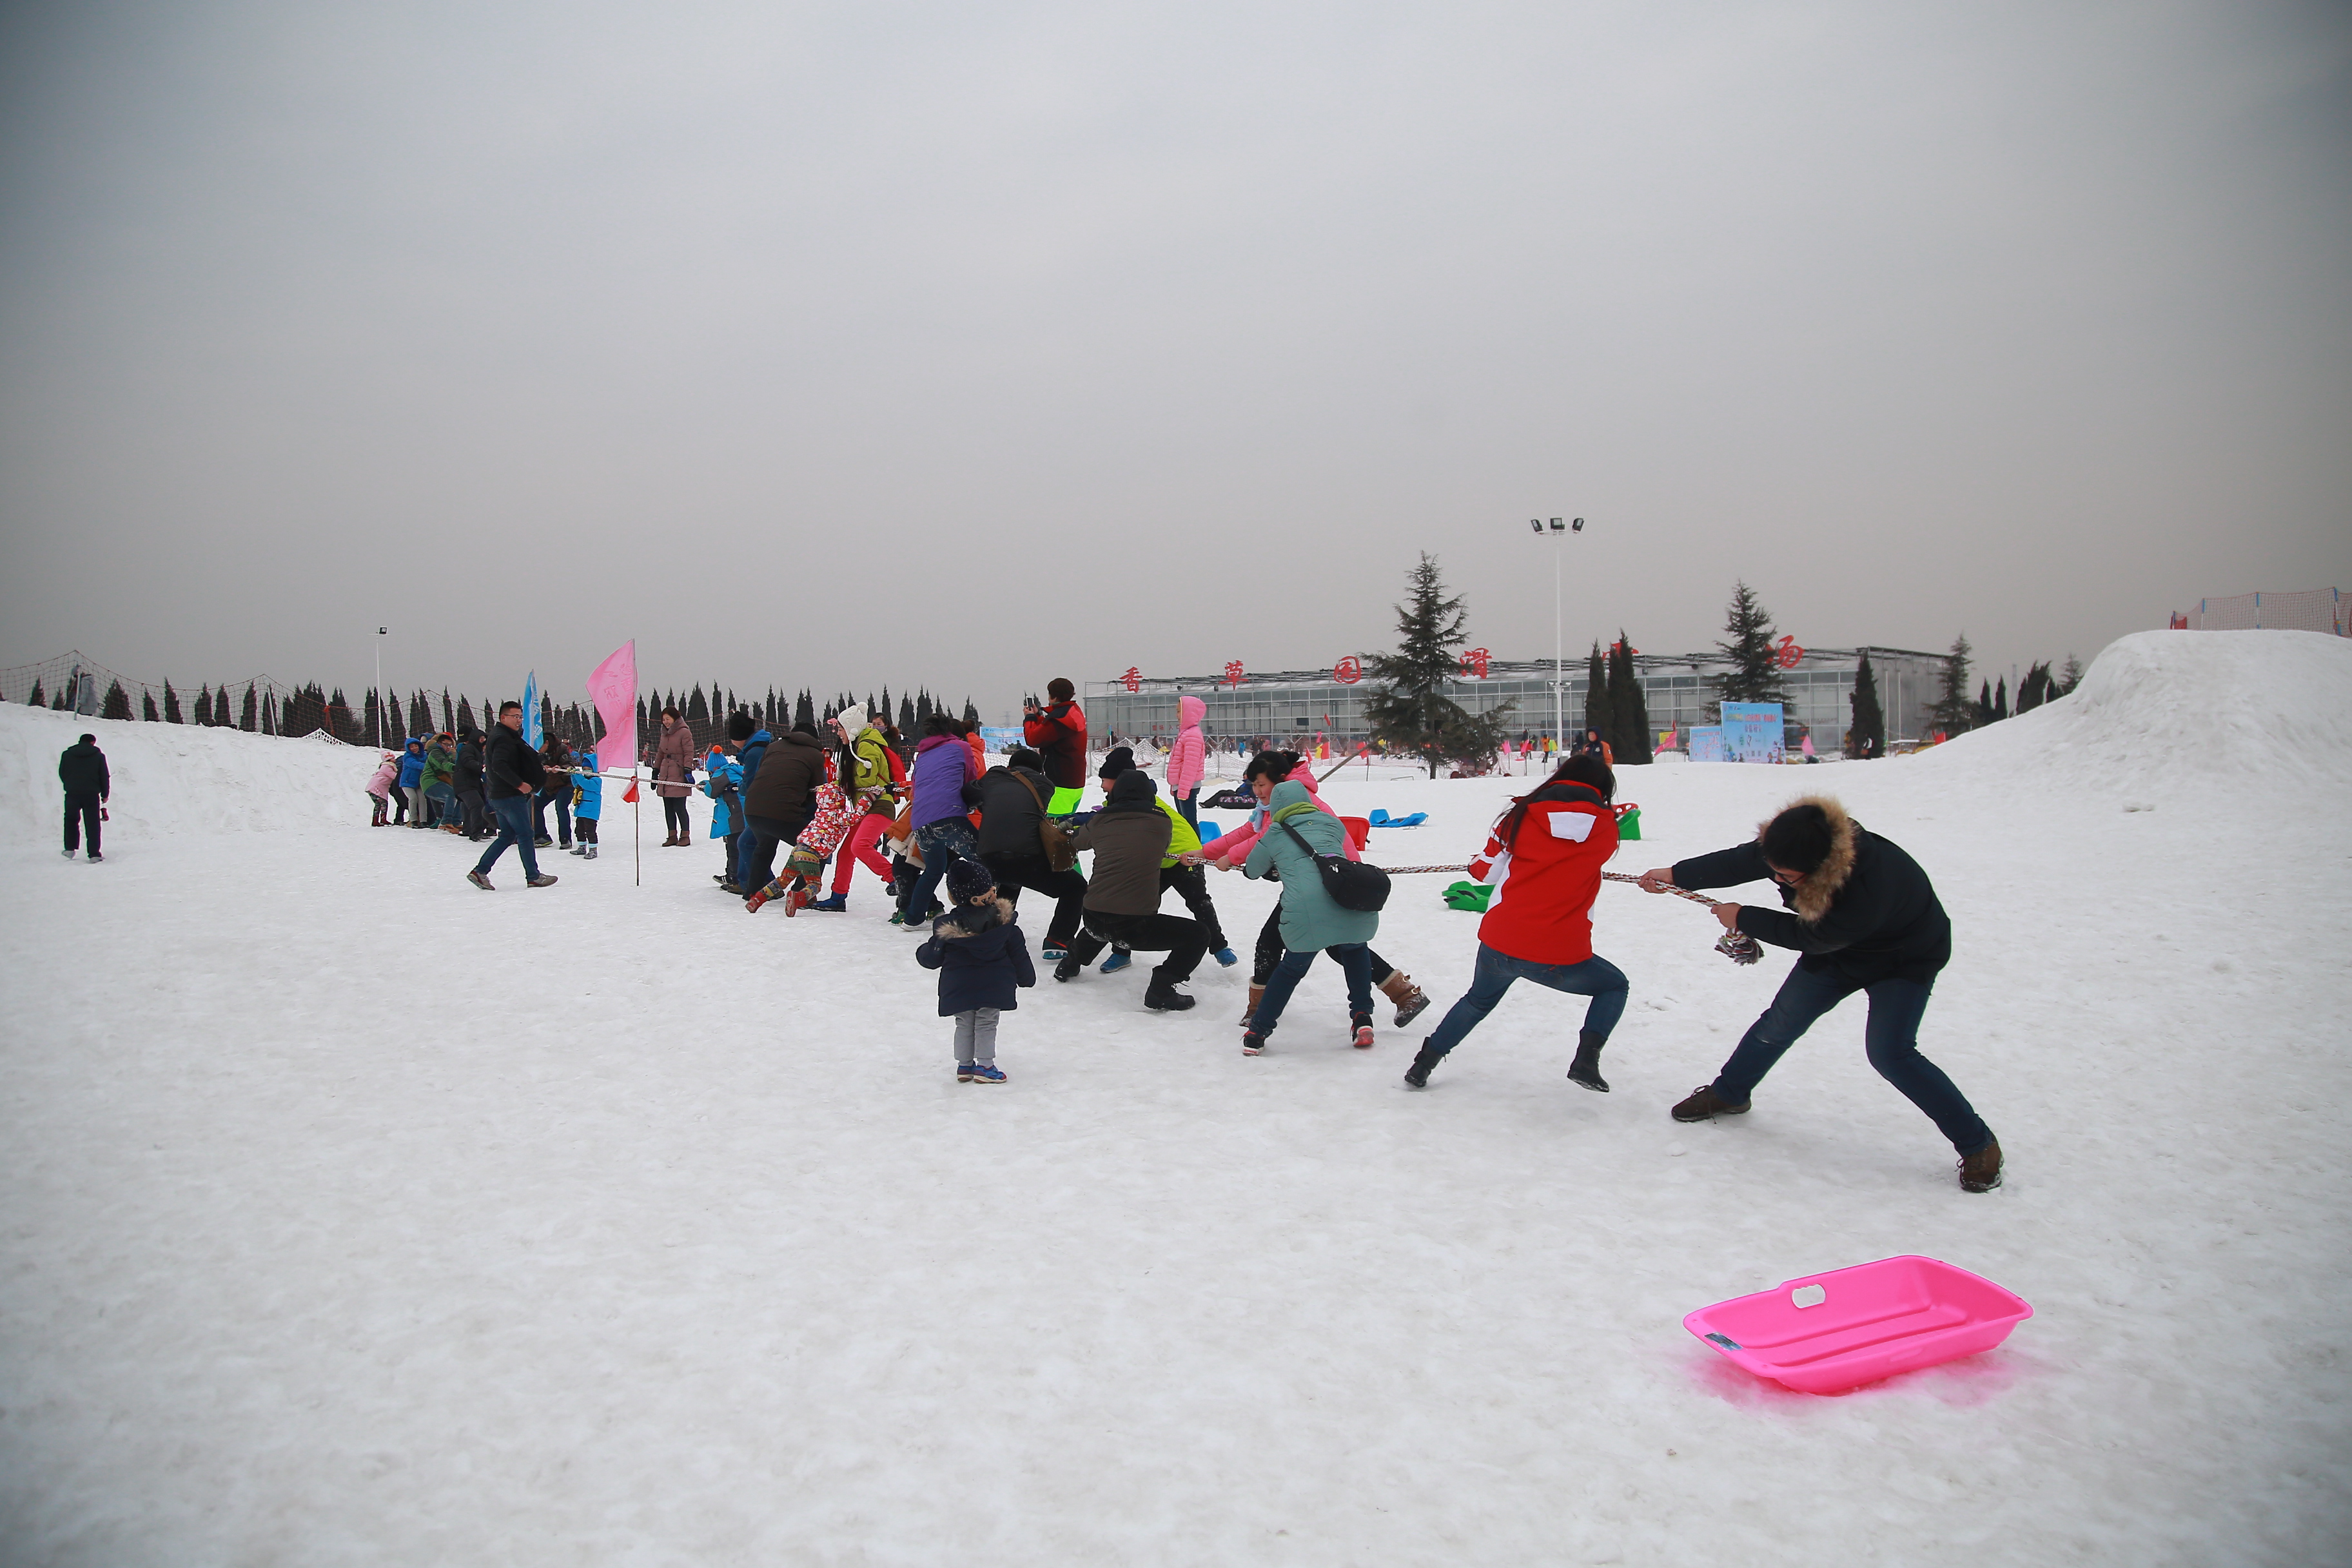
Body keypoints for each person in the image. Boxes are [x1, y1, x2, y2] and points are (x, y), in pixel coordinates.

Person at [1642, 796, 2001, 1192]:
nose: (1777, 880)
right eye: (1773, 871)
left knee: (1890, 1053)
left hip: (1904, 959)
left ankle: (1978, 1144)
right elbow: (1739, 862)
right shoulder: (1798, 844)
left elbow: (1813, 936)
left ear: (1819, 870)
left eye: (1786, 877)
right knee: (1779, 1023)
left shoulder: (1871, 882)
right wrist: (1675, 875)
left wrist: (1744, 917)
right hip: (1837, 953)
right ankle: (1730, 1093)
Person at [1404, 754, 1629, 1092]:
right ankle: (1587, 1059)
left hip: (1501, 939)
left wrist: (1482, 861)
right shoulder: (1608, 828)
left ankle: (1424, 1064)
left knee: (1477, 1002)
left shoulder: (1519, 817)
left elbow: (1484, 872)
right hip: (1560, 952)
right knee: (1613, 985)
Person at [1199, 750, 1429, 1028]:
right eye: (1253, 785)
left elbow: (1261, 841)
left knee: (1274, 942)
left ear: (1280, 781)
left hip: (1329, 882)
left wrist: (1229, 859)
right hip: (1320, 880)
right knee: (1343, 944)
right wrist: (1204, 851)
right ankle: (1403, 993)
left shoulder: (1297, 802)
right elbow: (1247, 832)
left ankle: (1258, 1011)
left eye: (1261, 784)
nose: (1256, 791)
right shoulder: (1279, 802)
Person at [1238, 779, 1378, 1054]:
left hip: (1305, 912)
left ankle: (1258, 1032)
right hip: (1349, 901)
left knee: (1291, 969)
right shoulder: (1332, 823)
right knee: (1355, 950)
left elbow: (1253, 870)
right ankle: (1362, 1017)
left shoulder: (1275, 833)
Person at [1053, 771, 1205, 1010]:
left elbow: (1078, 842)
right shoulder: (1162, 821)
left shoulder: (1099, 820)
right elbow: (1160, 845)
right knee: (1198, 935)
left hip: (1092, 915)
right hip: (1135, 925)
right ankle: (1162, 989)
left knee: (1101, 922)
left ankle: (1070, 964)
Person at [1094, 747, 1233, 973]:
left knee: (1198, 900)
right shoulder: (1125, 799)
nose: (1102, 785)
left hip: (1185, 853)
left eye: (1105, 780)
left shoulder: (1132, 802)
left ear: (1121, 782)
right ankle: (1121, 953)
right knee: (1131, 906)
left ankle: (1220, 947)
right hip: (1158, 860)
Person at [916, 859, 1036, 1084]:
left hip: (958, 985)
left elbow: (932, 958)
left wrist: (923, 951)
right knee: (986, 1023)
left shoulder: (946, 929)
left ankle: (964, 1065)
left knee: (964, 1023)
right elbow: (1019, 955)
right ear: (991, 892)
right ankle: (985, 1066)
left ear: (953, 896)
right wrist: (1027, 979)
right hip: (994, 986)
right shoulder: (1006, 927)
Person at [965, 745, 1089, 957]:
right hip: (1028, 858)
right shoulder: (1046, 785)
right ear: (1040, 771)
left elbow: (969, 794)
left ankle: (995, 932)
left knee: (1009, 878)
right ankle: (1058, 941)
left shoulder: (994, 776)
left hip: (988, 857)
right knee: (1076, 887)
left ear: (1010, 766)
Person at [466, 701, 558, 890]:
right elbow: (500, 766)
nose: (519, 720)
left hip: (500, 795)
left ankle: (480, 871)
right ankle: (533, 876)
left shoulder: (506, 737)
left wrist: (539, 767)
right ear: (503, 718)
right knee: (525, 834)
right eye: (515, 717)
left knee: (508, 835)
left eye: (520, 717)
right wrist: (519, 784)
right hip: (509, 795)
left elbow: (517, 762)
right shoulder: (502, 738)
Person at [901, 713, 979, 932]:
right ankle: (982, 915)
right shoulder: (961, 747)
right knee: (984, 859)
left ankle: (913, 919)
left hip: (920, 821)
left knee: (934, 870)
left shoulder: (923, 756)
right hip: (949, 815)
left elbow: (915, 788)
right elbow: (970, 778)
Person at [814, 707, 898, 911]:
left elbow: (867, 779)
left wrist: (840, 784)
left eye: (841, 729)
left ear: (851, 729)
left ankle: (894, 878)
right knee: (846, 853)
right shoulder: (857, 745)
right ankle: (838, 897)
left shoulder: (866, 746)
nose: (838, 733)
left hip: (879, 806)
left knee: (860, 846)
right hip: (865, 807)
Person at [738, 720, 827, 894]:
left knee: (764, 847)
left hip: (753, 810)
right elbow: (818, 790)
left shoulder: (773, 747)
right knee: (815, 847)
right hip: (782, 813)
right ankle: (801, 893)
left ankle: (753, 891)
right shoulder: (816, 755)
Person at [1022, 678, 1088, 814]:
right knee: (1067, 825)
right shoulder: (1072, 713)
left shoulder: (1059, 719)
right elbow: (1051, 732)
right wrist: (1039, 717)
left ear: (1054, 696)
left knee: (1054, 829)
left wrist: (1029, 719)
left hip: (1059, 784)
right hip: (1076, 782)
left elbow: (1033, 739)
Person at [727, 711, 772, 889]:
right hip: (765, 805)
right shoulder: (760, 746)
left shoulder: (755, 753)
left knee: (747, 844)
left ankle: (765, 884)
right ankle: (749, 881)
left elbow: (753, 782)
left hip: (764, 807)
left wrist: (741, 786)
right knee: (752, 844)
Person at [59, 732, 109, 861]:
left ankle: (70, 849)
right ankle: (94, 854)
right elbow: (104, 775)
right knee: (92, 824)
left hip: (72, 793)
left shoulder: (67, 755)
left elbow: (62, 772)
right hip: (91, 794)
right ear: (93, 742)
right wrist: (105, 794)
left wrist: (69, 784)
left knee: (70, 820)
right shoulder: (98, 756)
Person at [701, 741, 744, 890]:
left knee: (733, 848)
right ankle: (733, 874)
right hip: (747, 815)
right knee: (743, 846)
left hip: (734, 817)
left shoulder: (720, 774)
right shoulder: (736, 770)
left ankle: (735, 878)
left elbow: (711, 791)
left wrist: (705, 785)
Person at [651, 707, 696, 845]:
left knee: (679, 806)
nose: (666, 722)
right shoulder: (664, 733)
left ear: (675, 718)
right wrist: (655, 771)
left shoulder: (684, 732)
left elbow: (689, 752)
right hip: (665, 773)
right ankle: (672, 835)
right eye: (663, 720)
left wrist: (687, 770)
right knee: (668, 807)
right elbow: (660, 753)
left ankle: (685, 835)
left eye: (668, 719)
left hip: (678, 772)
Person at [1165, 694, 1208, 827]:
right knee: (1185, 822)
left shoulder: (1192, 735)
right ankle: (1190, 846)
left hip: (1188, 787)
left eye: (1179, 711)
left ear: (1188, 713)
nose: (1177, 715)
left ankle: (1195, 846)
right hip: (1183, 786)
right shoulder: (1186, 733)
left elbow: (1190, 766)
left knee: (1189, 822)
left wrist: (1183, 790)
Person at [535, 733, 576, 849]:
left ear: (546, 743)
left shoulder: (562, 748)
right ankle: (541, 836)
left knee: (561, 806)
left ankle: (565, 839)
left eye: (540, 746)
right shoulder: (537, 752)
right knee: (534, 805)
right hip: (549, 785)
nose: (538, 749)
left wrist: (560, 769)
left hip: (565, 784)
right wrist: (543, 768)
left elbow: (570, 766)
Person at [454, 725, 489, 839]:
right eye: (481, 739)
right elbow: (468, 761)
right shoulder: (468, 749)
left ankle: (475, 830)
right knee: (477, 805)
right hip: (464, 784)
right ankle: (476, 832)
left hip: (472, 784)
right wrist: (481, 767)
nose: (483, 742)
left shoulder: (478, 752)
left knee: (482, 806)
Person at [568, 745, 602, 858]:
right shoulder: (583, 779)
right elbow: (577, 785)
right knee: (579, 830)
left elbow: (585, 785)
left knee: (590, 831)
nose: (586, 771)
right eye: (584, 769)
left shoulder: (596, 780)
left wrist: (579, 776)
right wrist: (574, 775)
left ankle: (593, 849)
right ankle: (582, 847)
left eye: (589, 769)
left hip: (591, 811)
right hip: (582, 809)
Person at [422, 732, 458, 831]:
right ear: (439, 743)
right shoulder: (436, 752)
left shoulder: (448, 754)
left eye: (450, 745)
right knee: (452, 793)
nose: (448, 747)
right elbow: (443, 764)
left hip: (441, 782)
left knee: (459, 795)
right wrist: (455, 767)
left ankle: (456, 822)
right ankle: (446, 822)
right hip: (430, 782)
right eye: (445, 744)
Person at [397, 737, 427, 828]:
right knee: (413, 799)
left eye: (416, 746)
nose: (414, 748)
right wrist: (427, 767)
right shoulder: (407, 757)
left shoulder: (424, 756)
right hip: (407, 782)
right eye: (412, 747)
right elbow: (414, 764)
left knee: (423, 799)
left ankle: (423, 821)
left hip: (419, 783)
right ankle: (413, 820)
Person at [366, 750, 400, 827]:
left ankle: (375, 821)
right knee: (384, 803)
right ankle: (383, 819)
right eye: (393, 758)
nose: (395, 759)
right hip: (377, 789)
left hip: (373, 788)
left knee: (378, 805)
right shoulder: (387, 767)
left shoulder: (385, 767)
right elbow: (395, 776)